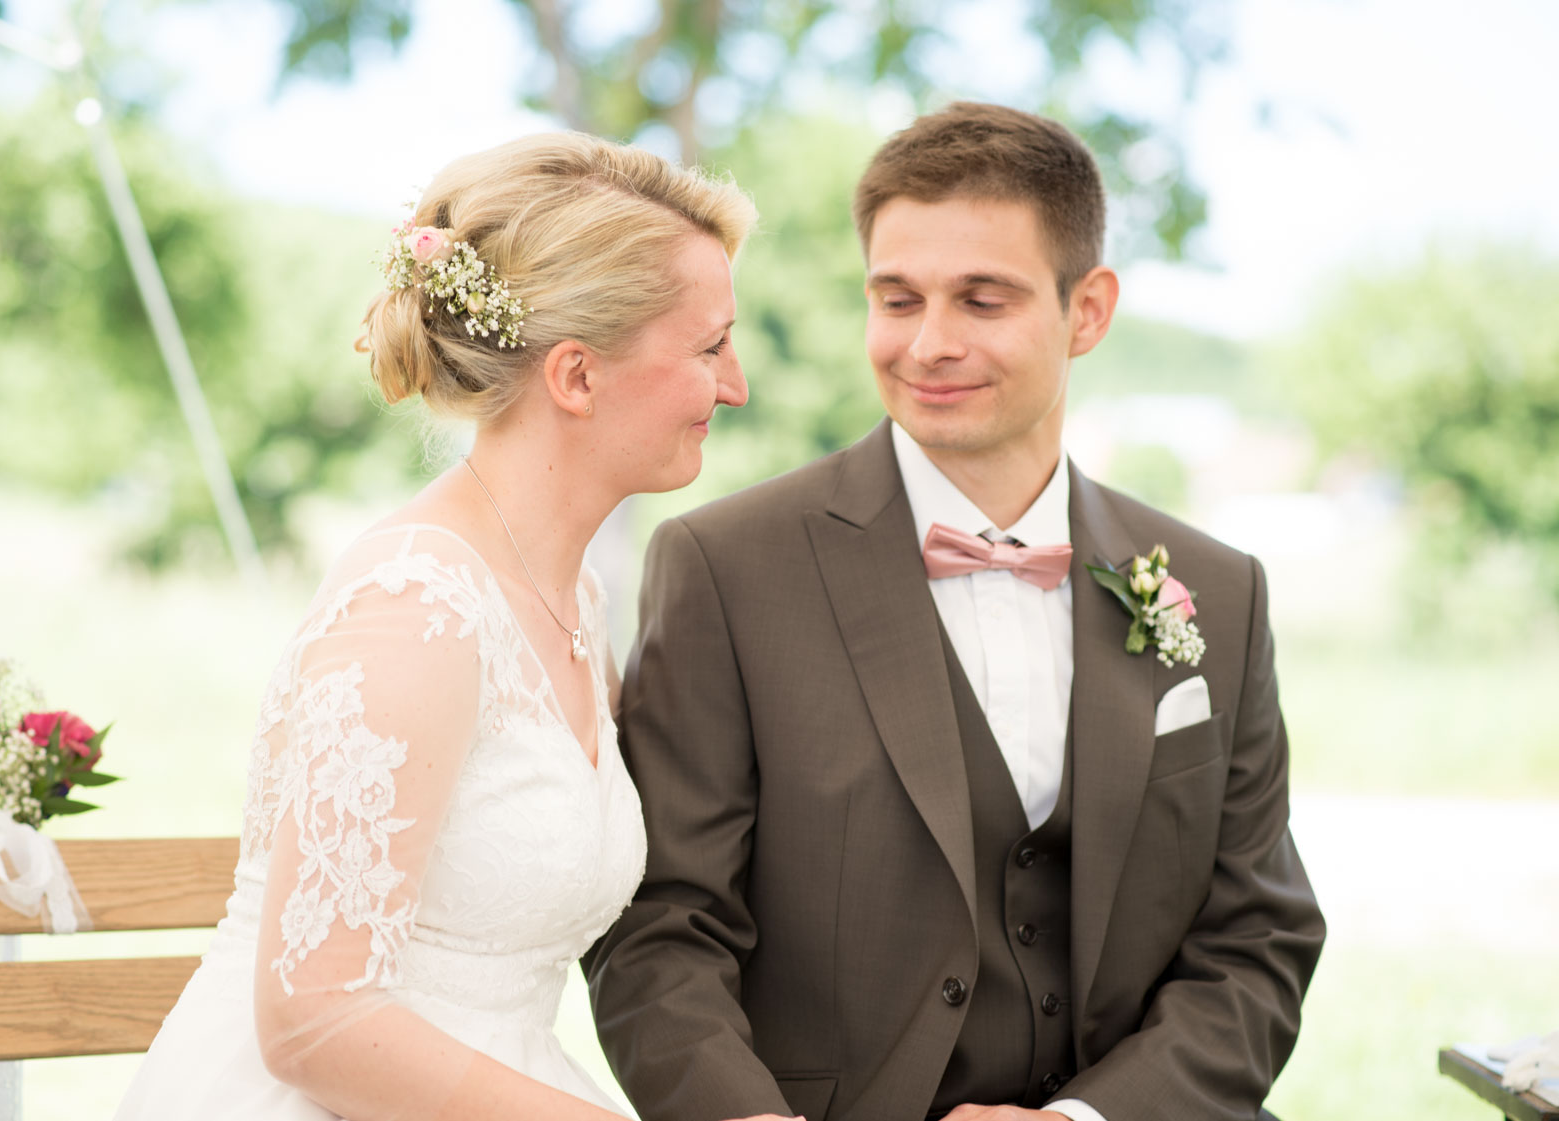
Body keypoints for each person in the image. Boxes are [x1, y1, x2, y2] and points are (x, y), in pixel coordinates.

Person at [586, 102, 1327, 1121]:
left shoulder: (1219, 588)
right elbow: (660, 929)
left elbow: (1256, 938)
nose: (929, 343)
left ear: (1088, 310)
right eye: (898, 299)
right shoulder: (724, 569)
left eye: (983, 300)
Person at [114, 132, 785, 1121]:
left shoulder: (572, 598)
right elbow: (311, 1024)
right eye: (708, 346)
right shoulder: (415, 606)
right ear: (576, 376)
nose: (734, 384)